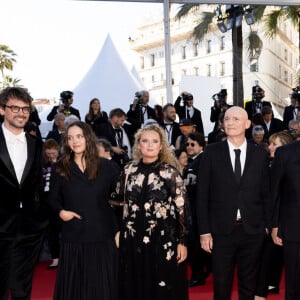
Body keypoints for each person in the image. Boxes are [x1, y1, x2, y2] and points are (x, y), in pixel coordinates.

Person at [197, 106, 271, 300]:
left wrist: (266, 225)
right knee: (221, 285)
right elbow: (202, 195)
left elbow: (266, 193)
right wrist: (204, 231)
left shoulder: (260, 153)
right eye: (227, 119)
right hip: (220, 231)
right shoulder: (211, 152)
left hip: (252, 230)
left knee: (249, 283)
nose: (229, 122)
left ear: (247, 124)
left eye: (236, 119)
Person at [113, 124, 190, 300]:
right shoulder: (128, 170)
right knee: (135, 283)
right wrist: (117, 229)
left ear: (161, 145)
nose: (149, 145)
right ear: (138, 145)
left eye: (154, 141)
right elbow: (117, 202)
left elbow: (183, 209)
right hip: (132, 239)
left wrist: (183, 241)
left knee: (162, 284)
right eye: (145, 141)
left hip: (162, 240)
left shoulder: (169, 172)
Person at [47, 121, 120, 300]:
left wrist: (120, 229)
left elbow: (121, 199)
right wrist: (61, 212)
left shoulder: (107, 166)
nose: (75, 141)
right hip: (74, 235)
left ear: (88, 137)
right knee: (76, 289)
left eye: (79, 136)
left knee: (103, 286)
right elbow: (52, 199)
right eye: (70, 137)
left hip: (103, 233)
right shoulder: (60, 168)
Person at [0, 86, 48, 300]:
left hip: (29, 227)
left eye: (25, 108)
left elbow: (37, 183)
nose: (21, 113)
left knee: (22, 288)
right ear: (2, 110)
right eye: (15, 108)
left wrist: (39, 216)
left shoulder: (36, 143)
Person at [255, 130, 294, 300]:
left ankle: (266, 288)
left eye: (274, 144)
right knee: (266, 257)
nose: (270, 147)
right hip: (269, 220)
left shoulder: (287, 164)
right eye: (270, 143)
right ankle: (261, 292)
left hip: (283, 220)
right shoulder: (266, 164)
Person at [270, 133, 300, 300]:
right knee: (294, 282)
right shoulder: (285, 153)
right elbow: (274, 192)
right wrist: (275, 225)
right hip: (294, 228)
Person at [182, 132, 211, 287]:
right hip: (192, 210)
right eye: (187, 144)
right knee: (195, 244)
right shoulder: (191, 163)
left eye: (192, 144)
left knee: (195, 245)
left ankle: (198, 275)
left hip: (199, 210)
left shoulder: (203, 161)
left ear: (201, 145)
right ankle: (201, 272)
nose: (189, 147)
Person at [41, 139, 61, 270]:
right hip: (46, 200)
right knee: (51, 231)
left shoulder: (63, 164)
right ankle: (55, 259)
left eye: (53, 153)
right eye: (49, 154)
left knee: (64, 231)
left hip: (61, 201)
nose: (51, 156)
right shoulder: (41, 164)